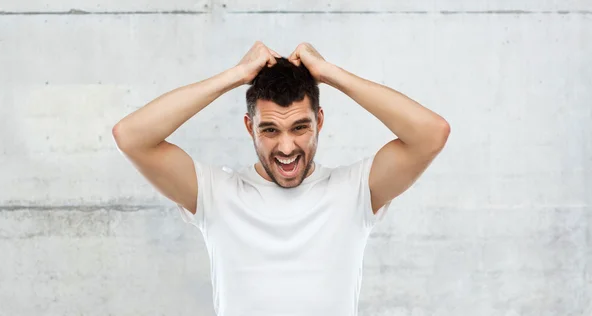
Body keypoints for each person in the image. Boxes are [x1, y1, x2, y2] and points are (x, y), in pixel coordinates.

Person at [112, 41, 450, 316]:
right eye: (270, 130)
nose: (286, 147)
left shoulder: (355, 190)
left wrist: (330, 74)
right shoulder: (217, 194)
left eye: (300, 127)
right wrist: (234, 75)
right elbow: (131, 136)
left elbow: (431, 134)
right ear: (249, 127)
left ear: (319, 121)